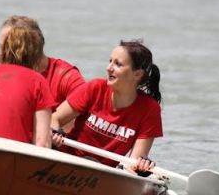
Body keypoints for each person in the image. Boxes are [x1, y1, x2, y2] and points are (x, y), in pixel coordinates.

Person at [51, 39, 162, 174]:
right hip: (65, 161)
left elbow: (133, 163)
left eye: (118, 64)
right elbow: (54, 118)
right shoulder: (95, 87)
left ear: (137, 74)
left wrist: (141, 165)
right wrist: (54, 133)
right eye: (110, 61)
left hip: (102, 176)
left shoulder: (150, 109)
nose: (109, 68)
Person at [0, 16, 85, 105]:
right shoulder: (2, 77)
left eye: (5, 49)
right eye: (0, 47)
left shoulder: (65, 77)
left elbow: (90, 110)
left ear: (22, 52)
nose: (0, 53)